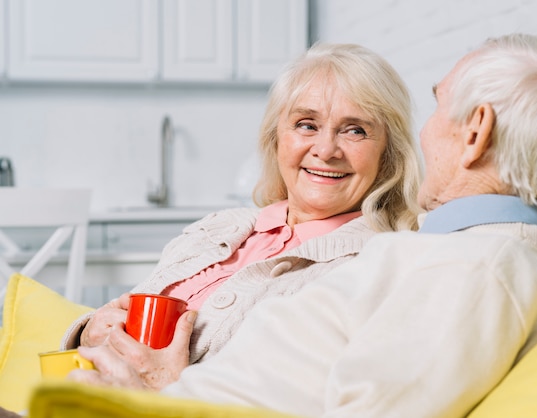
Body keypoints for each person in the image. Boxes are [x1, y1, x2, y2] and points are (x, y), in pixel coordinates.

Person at [71, 33, 537, 417]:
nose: (425, 132)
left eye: (438, 107)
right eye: (305, 124)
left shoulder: (483, 270)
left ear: (475, 133)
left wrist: (156, 400)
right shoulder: (455, 253)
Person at [61, 42, 422, 390]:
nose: (326, 150)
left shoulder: (375, 264)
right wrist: (89, 329)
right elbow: (127, 312)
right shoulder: (216, 226)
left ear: (388, 154)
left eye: (355, 130)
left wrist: (170, 394)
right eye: (306, 124)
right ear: (276, 138)